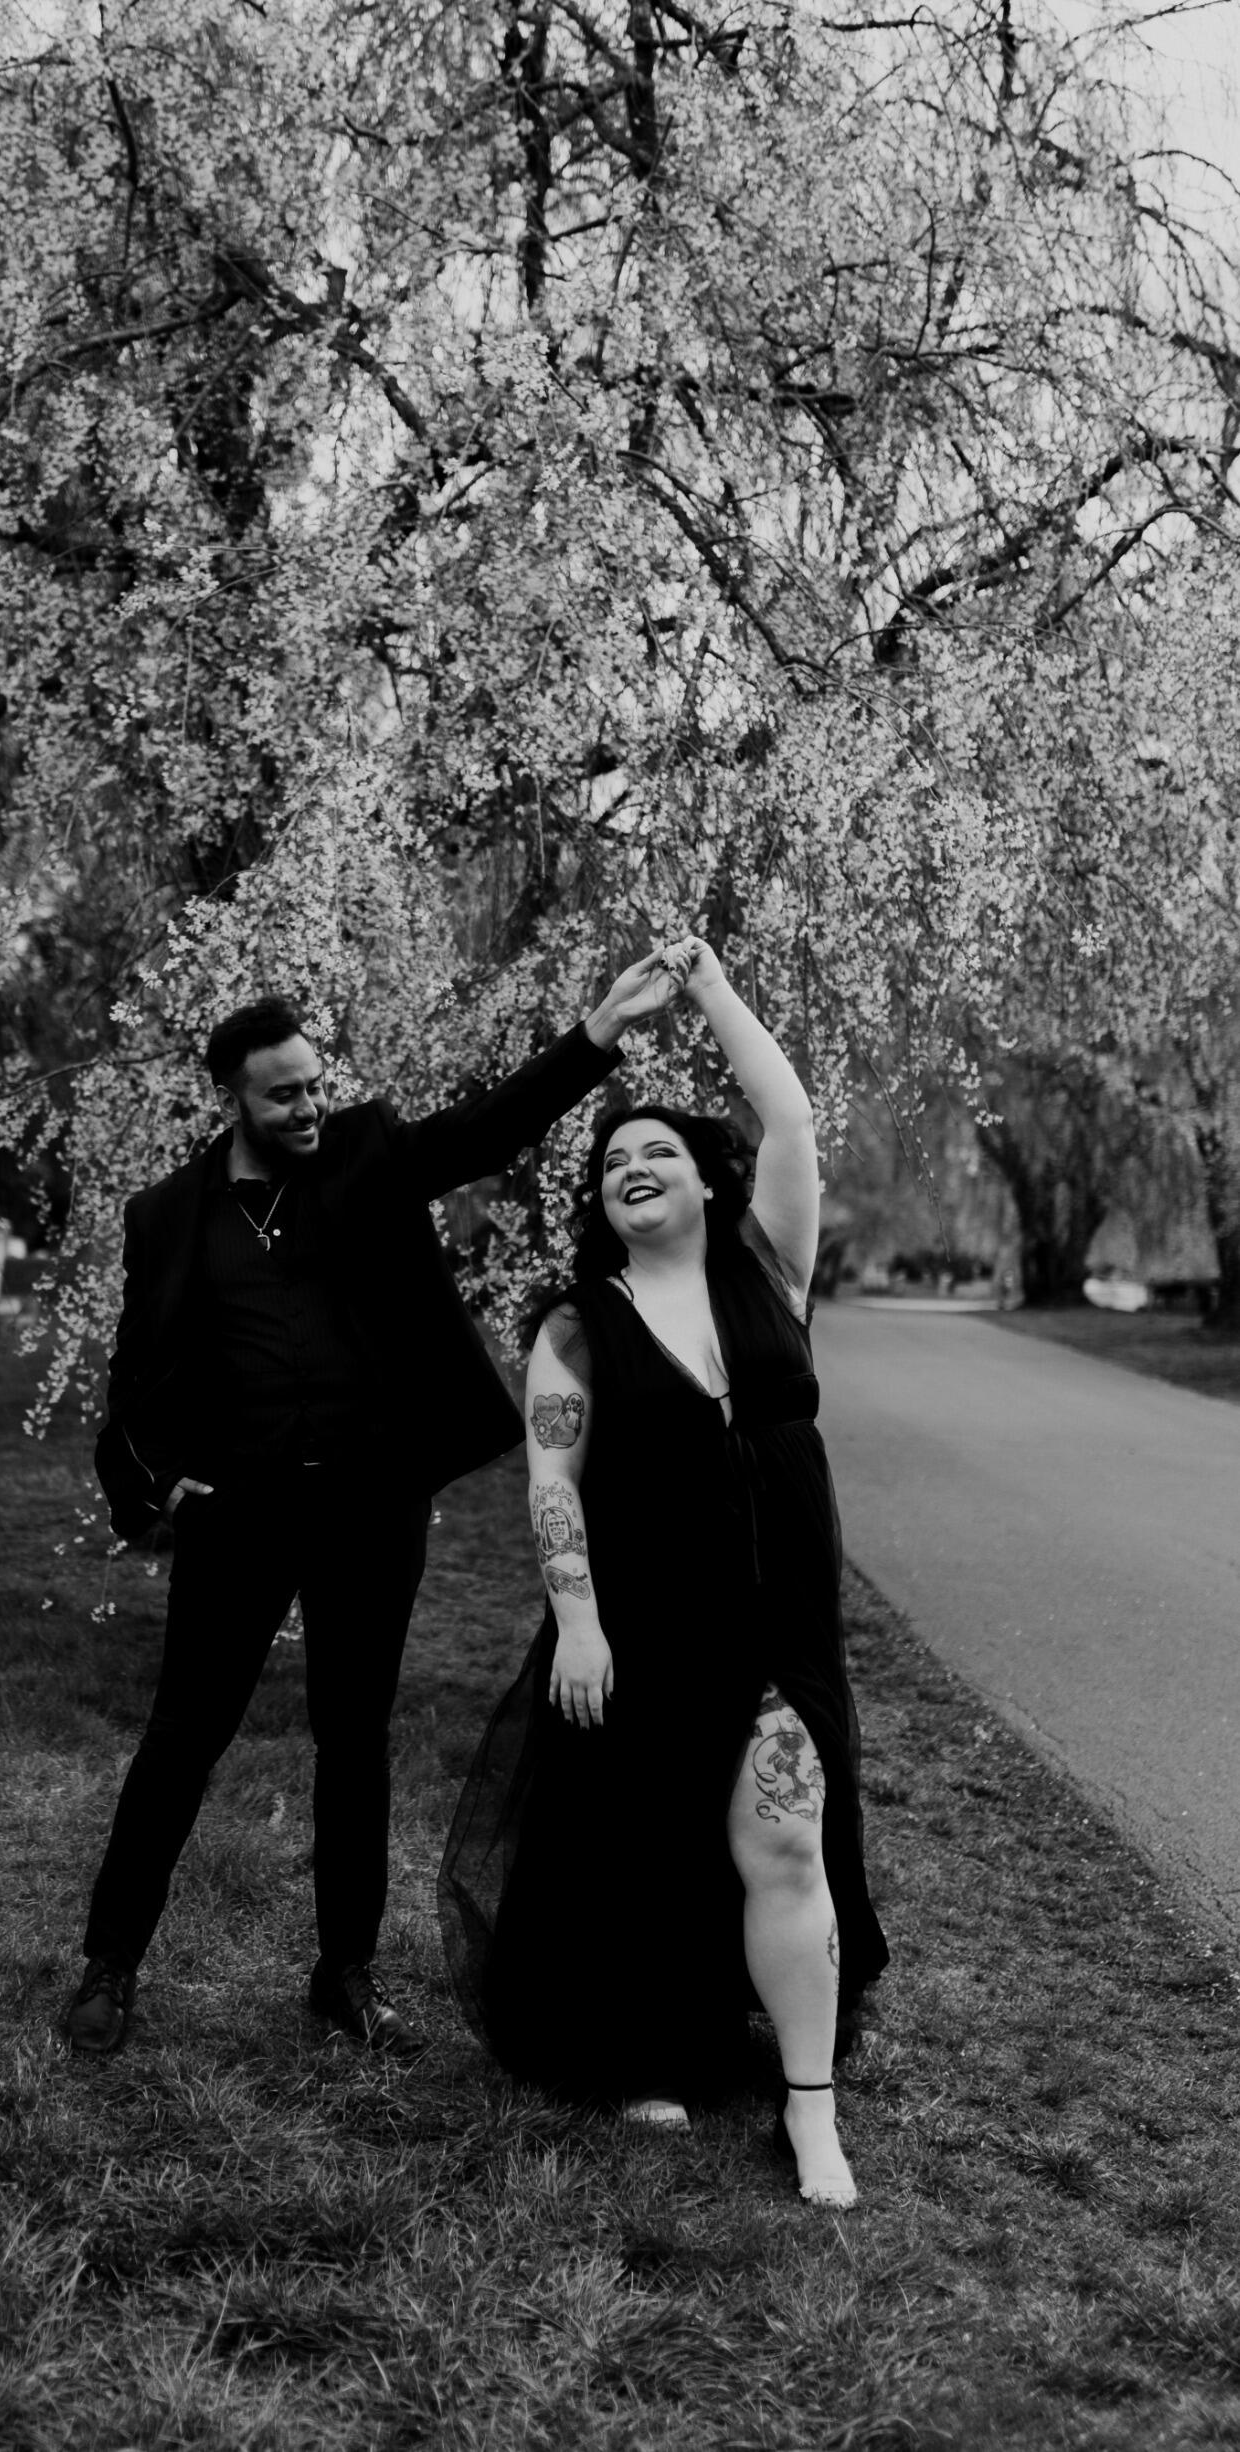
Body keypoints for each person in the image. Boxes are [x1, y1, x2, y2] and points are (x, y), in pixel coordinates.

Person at [64, 955, 684, 2059]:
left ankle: (343, 1972)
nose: (308, 1107)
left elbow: (487, 1130)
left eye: (314, 1083)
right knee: (182, 1735)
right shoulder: (167, 1216)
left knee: (354, 1738)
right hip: (240, 1511)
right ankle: (109, 1964)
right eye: (283, 1094)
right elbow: (137, 1375)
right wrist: (158, 1484)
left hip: (368, 1504)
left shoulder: (363, 1155)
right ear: (233, 1099)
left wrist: (595, 1033)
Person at [438, 934, 888, 2207]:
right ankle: (645, 2050)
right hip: (640, 1619)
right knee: (638, 1845)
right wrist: (577, 1622)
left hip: (778, 1617)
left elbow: (790, 1108)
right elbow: (549, 1478)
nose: (633, 1168)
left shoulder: (769, 1272)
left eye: (658, 1154)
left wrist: (707, 989)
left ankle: (811, 2114)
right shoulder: (579, 1323)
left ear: (705, 1181)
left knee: (786, 1837)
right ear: (603, 1204)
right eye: (612, 1164)